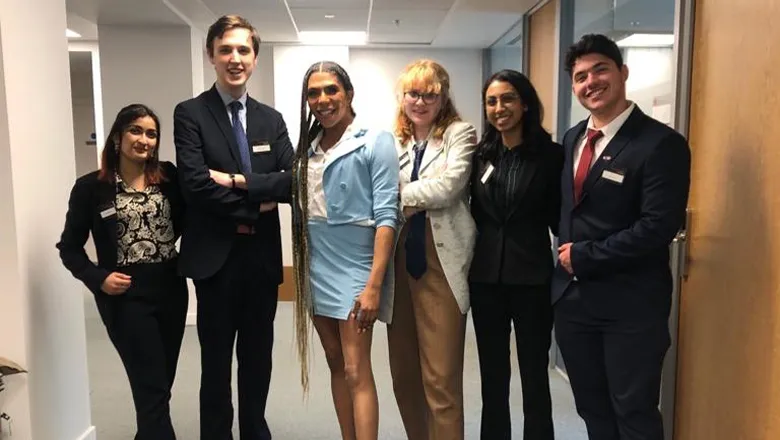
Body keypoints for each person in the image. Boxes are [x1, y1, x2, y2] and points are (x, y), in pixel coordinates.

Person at [552, 34, 691, 440]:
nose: (591, 82)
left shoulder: (660, 144)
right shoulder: (573, 138)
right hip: (574, 303)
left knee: (633, 412)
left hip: (630, 307)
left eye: (600, 70)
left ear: (622, 73)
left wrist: (585, 256)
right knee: (593, 409)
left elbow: (658, 227)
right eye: (580, 76)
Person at [173, 15, 294, 440]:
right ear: (211, 55)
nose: (235, 58)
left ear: (255, 58)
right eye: (226, 49)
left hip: (260, 259)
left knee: (259, 356)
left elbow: (291, 181)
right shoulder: (190, 114)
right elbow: (195, 186)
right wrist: (256, 204)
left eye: (243, 50)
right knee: (217, 359)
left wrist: (241, 182)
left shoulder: (271, 120)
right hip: (216, 262)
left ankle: (255, 430)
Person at [57, 104, 188, 440]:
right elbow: (69, 247)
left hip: (171, 289)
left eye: (151, 133)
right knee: (152, 389)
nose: (144, 139)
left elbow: (196, 217)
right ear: (118, 136)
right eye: (135, 130)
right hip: (126, 295)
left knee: (159, 387)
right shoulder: (91, 187)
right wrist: (98, 278)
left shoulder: (170, 178)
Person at [289, 61, 399, 440]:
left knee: (356, 368)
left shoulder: (375, 140)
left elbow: (387, 215)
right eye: (313, 93)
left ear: (349, 94)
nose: (322, 100)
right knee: (335, 362)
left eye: (331, 90)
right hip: (316, 262)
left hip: (355, 263)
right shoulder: (309, 148)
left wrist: (374, 285)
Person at [469, 69, 563, 440]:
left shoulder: (553, 156)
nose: (499, 108)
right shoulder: (480, 156)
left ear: (525, 103)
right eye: (491, 101)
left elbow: (561, 215)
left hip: (533, 279)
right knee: (493, 376)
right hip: (486, 279)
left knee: (534, 375)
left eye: (507, 98)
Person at [388, 59, 477, 440]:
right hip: (397, 260)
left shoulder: (461, 133)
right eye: (413, 93)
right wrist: (405, 199)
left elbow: (450, 186)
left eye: (430, 94)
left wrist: (399, 196)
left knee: (440, 381)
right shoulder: (391, 141)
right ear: (402, 97)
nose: (420, 102)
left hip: (440, 261)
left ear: (443, 98)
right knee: (405, 376)